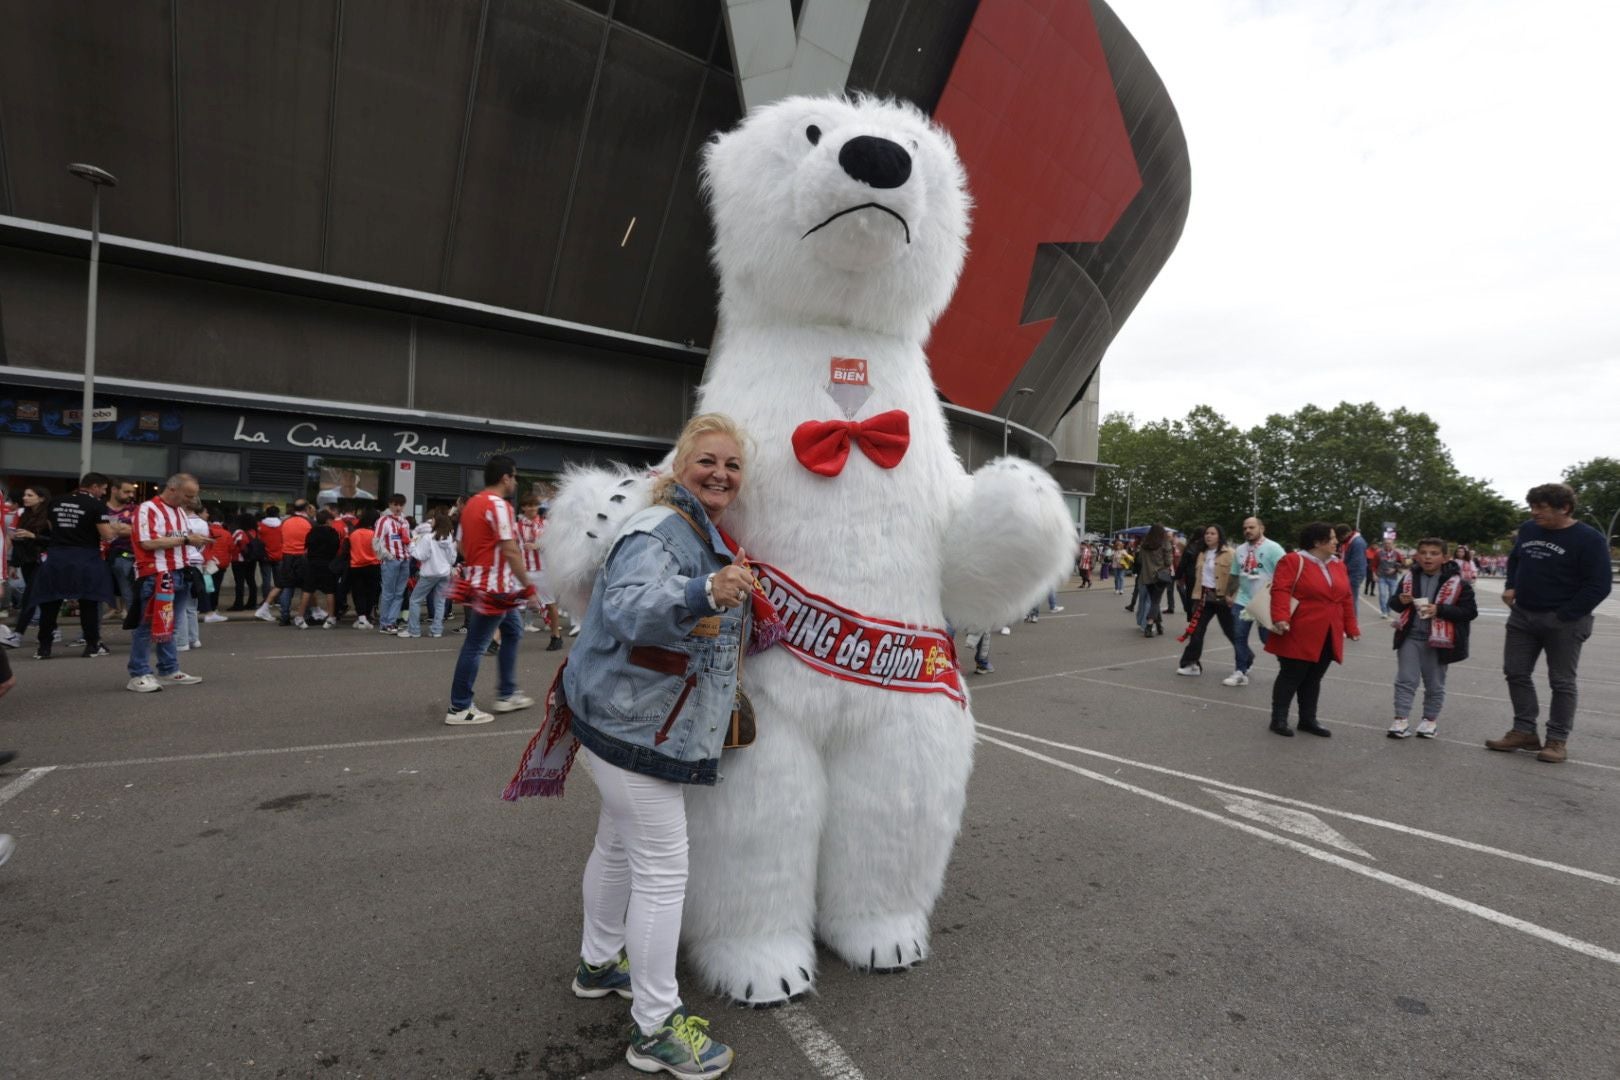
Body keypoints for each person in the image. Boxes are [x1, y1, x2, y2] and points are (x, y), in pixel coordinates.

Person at [503, 414, 751, 1077]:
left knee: (616, 844)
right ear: (678, 466)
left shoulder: (693, 525)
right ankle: (656, 1029)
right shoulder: (662, 528)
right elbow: (635, 607)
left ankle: (599, 960)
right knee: (663, 872)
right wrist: (705, 588)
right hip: (634, 725)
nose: (721, 473)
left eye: (732, 465)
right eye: (708, 461)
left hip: (618, 714)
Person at [1486, 483, 1612, 764]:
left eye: (1541, 508)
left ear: (1564, 508)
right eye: (1532, 507)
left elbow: (1599, 585)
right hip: (1522, 615)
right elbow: (1516, 558)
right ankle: (1524, 731)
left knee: (1561, 681)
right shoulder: (1529, 529)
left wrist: (1565, 615)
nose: (1534, 513)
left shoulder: (1588, 539)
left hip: (1565, 621)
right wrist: (1510, 585)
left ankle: (1557, 740)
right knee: (1515, 672)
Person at [444, 457, 535, 724]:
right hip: (494, 587)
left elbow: (460, 545)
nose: (516, 482)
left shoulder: (472, 504)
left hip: (483, 583)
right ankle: (459, 707)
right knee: (476, 644)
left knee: (513, 631)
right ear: (506, 478)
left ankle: (507, 694)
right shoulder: (499, 505)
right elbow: (510, 549)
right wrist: (528, 587)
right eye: (515, 477)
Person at [1265, 521, 1361, 737]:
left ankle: (1308, 719)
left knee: (1314, 677)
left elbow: (1345, 598)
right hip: (1298, 629)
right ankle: (1278, 718)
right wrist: (1280, 617)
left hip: (1329, 631)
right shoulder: (1293, 560)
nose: (1337, 542)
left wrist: (1351, 626)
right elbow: (1280, 590)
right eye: (1333, 538)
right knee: (1292, 675)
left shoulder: (1338, 565)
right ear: (1318, 542)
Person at [1386, 538, 1478, 739]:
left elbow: (1470, 612)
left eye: (1434, 553)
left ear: (1445, 557)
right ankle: (1400, 719)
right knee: (1405, 679)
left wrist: (1440, 609)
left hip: (1439, 641)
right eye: (1424, 552)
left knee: (1434, 683)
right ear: (1417, 556)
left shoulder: (1459, 583)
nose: (1428, 557)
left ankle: (1429, 721)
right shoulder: (1409, 578)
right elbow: (1394, 603)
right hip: (1410, 636)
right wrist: (1400, 601)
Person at [126, 474, 209, 692]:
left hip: (179, 572)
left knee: (170, 626)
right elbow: (147, 542)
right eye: (187, 495)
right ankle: (139, 674)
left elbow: (178, 537)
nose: (190, 501)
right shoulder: (147, 509)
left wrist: (192, 539)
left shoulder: (180, 511)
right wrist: (187, 539)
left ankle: (169, 669)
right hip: (156, 574)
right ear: (172, 489)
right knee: (146, 627)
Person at [31, 472, 118, 660]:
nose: (103, 493)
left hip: (56, 557)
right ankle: (92, 645)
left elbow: (52, 527)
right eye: (102, 489)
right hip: (85, 558)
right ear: (94, 487)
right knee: (88, 602)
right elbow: (107, 534)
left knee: (50, 603)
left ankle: (43, 648)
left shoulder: (56, 501)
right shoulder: (96, 505)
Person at [1225, 516, 1285, 687]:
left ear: (1261, 528)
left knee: (1268, 639)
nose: (1247, 531)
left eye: (1251, 527)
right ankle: (1240, 671)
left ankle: (1288, 668)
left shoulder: (1273, 548)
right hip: (1243, 601)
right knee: (1238, 636)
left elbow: (1286, 572)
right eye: (1245, 528)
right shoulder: (1240, 550)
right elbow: (1236, 574)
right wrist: (1229, 593)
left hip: (1265, 601)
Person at [1175, 524, 1237, 676]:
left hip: (1222, 598)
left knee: (1232, 632)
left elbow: (1236, 577)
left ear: (1219, 536)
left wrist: (1232, 595)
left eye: (1212, 533)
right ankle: (1190, 664)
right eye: (1207, 533)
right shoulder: (1201, 553)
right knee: (1196, 631)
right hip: (1204, 599)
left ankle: (1246, 659)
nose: (1208, 536)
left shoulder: (1230, 553)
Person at [8, 487, 54, 642]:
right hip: (27, 560)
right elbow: (18, 541)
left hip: (42, 561)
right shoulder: (24, 514)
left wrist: (33, 535)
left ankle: (18, 634)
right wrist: (14, 564)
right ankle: (53, 628)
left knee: (29, 597)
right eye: (24, 495)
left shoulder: (49, 515)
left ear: (41, 498)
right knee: (41, 596)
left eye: (30, 495)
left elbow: (55, 541)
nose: (25, 498)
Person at [402, 512, 456, 638]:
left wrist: (412, 544)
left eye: (433, 520)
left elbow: (420, 555)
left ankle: (413, 630)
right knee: (440, 602)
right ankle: (436, 630)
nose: (431, 521)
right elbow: (453, 559)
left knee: (415, 600)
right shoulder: (449, 539)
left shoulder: (428, 537)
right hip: (445, 573)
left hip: (430, 573)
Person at [296, 510, 342, 628]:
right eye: (332, 520)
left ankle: (300, 617)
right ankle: (331, 617)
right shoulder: (333, 533)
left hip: (312, 563)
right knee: (330, 591)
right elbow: (336, 547)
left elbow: (306, 547)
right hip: (327, 564)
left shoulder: (312, 532)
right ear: (328, 520)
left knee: (308, 590)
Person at [375, 494, 413, 633]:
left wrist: (409, 555)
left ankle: (391, 621)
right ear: (390, 505)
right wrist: (388, 556)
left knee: (399, 593)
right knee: (388, 593)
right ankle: (385, 623)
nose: (398, 507)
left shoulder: (404, 522)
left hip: (404, 560)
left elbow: (408, 540)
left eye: (401, 505)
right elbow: (376, 541)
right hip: (391, 560)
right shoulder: (383, 520)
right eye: (395, 504)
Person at [104, 477, 139, 619]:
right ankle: (90, 636)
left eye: (132, 492)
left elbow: (142, 531)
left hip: (126, 557)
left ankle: (137, 635)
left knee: (129, 593)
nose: (131, 495)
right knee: (97, 595)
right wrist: (119, 529)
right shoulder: (100, 507)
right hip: (101, 556)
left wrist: (127, 529)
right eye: (126, 491)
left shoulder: (135, 509)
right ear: (114, 490)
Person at [1133, 525, 1173, 638]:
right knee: (1155, 602)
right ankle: (1149, 626)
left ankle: (1159, 626)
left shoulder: (1144, 545)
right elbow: (1169, 561)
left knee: (1155, 600)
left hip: (1147, 577)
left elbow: (1140, 560)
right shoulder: (1164, 543)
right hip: (1160, 576)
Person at [346, 510, 382, 629]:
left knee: (358, 592)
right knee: (371, 593)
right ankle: (367, 616)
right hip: (373, 566)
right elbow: (380, 551)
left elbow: (347, 549)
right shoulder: (374, 534)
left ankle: (361, 617)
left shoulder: (353, 533)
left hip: (356, 566)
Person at [254, 506, 284, 622]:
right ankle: (279, 600)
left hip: (265, 556)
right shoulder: (282, 526)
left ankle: (267, 600)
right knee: (279, 581)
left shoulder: (261, 526)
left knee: (266, 579)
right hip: (279, 556)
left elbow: (259, 540)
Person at [229, 512, 261, 611]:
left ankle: (238, 604)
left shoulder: (239, 532)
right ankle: (252, 603)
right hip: (251, 559)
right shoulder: (254, 532)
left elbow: (234, 544)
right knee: (251, 581)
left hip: (239, 560)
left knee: (239, 583)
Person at [1334, 522, 1368, 604]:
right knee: (1350, 600)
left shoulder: (1357, 542)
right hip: (1353, 573)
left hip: (1354, 575)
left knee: (1351, 601)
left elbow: (1356, 561)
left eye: (1340, 538)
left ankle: (1352, 616)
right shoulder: (1353, 541)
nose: (1339, 540)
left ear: (1345, 534)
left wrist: (1342, 569)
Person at [1374, 537, 1406, 619]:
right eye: (1386, 543)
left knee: (1392, 595)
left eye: (1389, 543)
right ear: (1383, 544)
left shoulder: (1396, 554)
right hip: (1382, 577)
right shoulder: (1379, 553)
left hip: (1393, 577)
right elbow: (1374, 565)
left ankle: (1388, 610)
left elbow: (1401, 564)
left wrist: (1395, 569)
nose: (1387, 545)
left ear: (1392, 544)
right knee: (1382, 594)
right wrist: (1374, 574)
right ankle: (1384, 611)